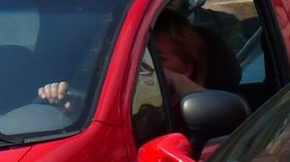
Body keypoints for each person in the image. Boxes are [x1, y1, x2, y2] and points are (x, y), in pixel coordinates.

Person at [37, 9, 209, 113]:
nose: (142, 66)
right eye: (136, 57)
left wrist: (171, 79)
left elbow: (224, 113)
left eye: (157, 58)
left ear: (186, 68)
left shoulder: (188, 110)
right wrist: (67, 108)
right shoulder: (117, 101)